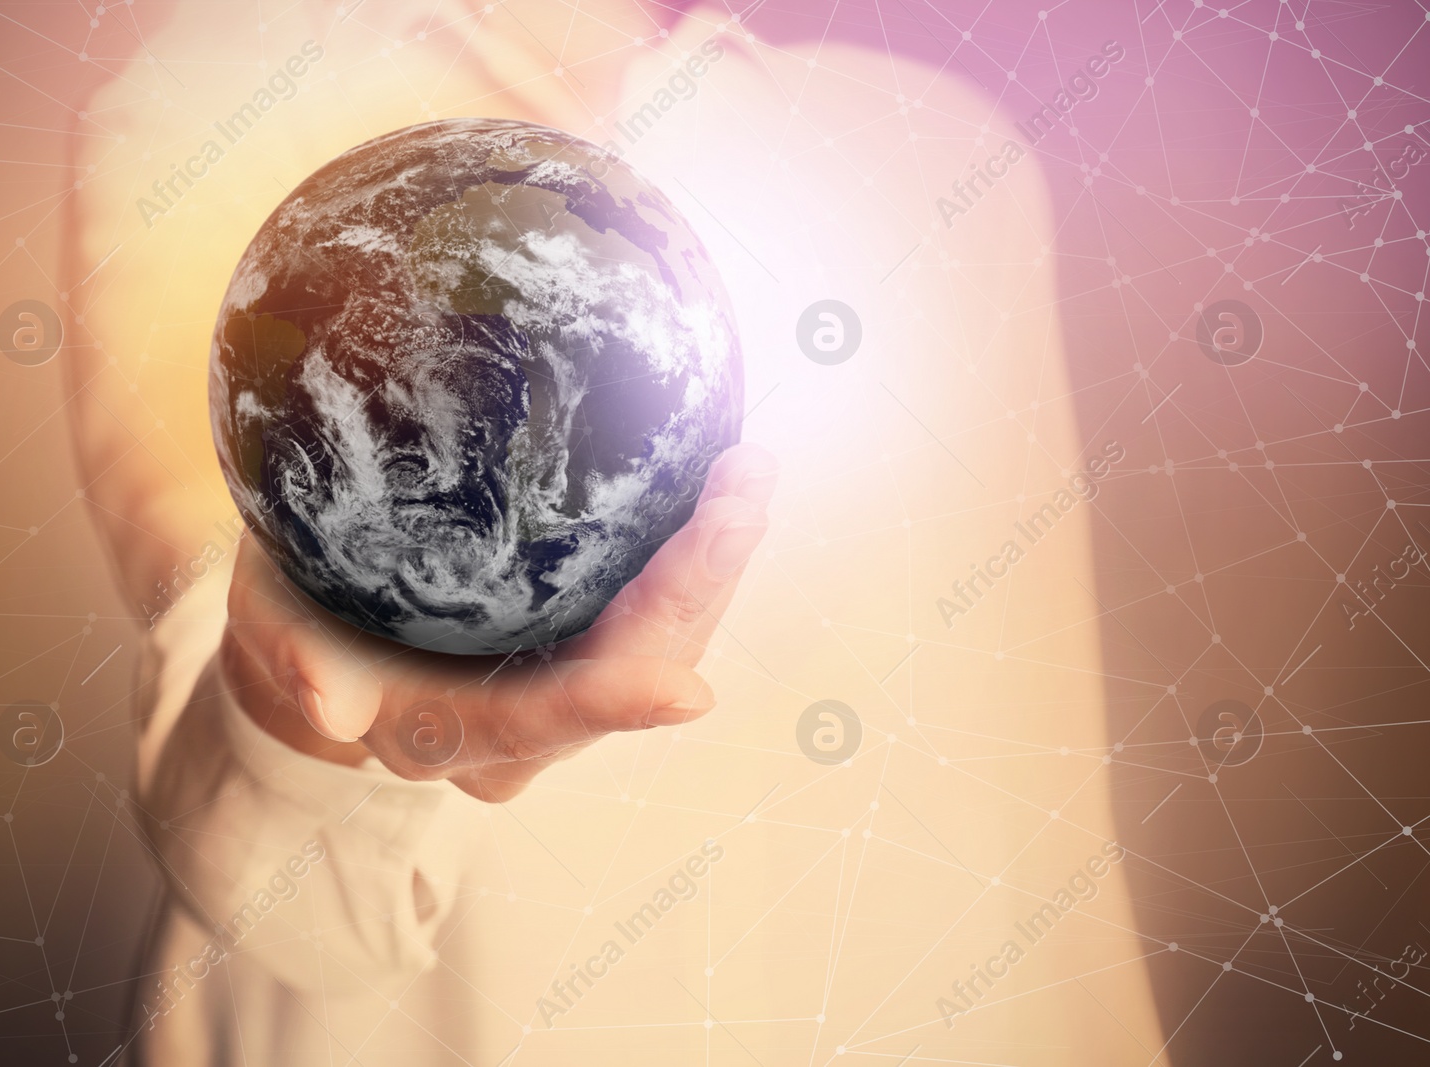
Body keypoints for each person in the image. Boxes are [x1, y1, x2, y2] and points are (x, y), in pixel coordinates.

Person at [67, 1, 1171, 1062]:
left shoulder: (935, 159)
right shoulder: (223, 107)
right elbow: (277, 864)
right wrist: (293, 717)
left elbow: (1031, 804)